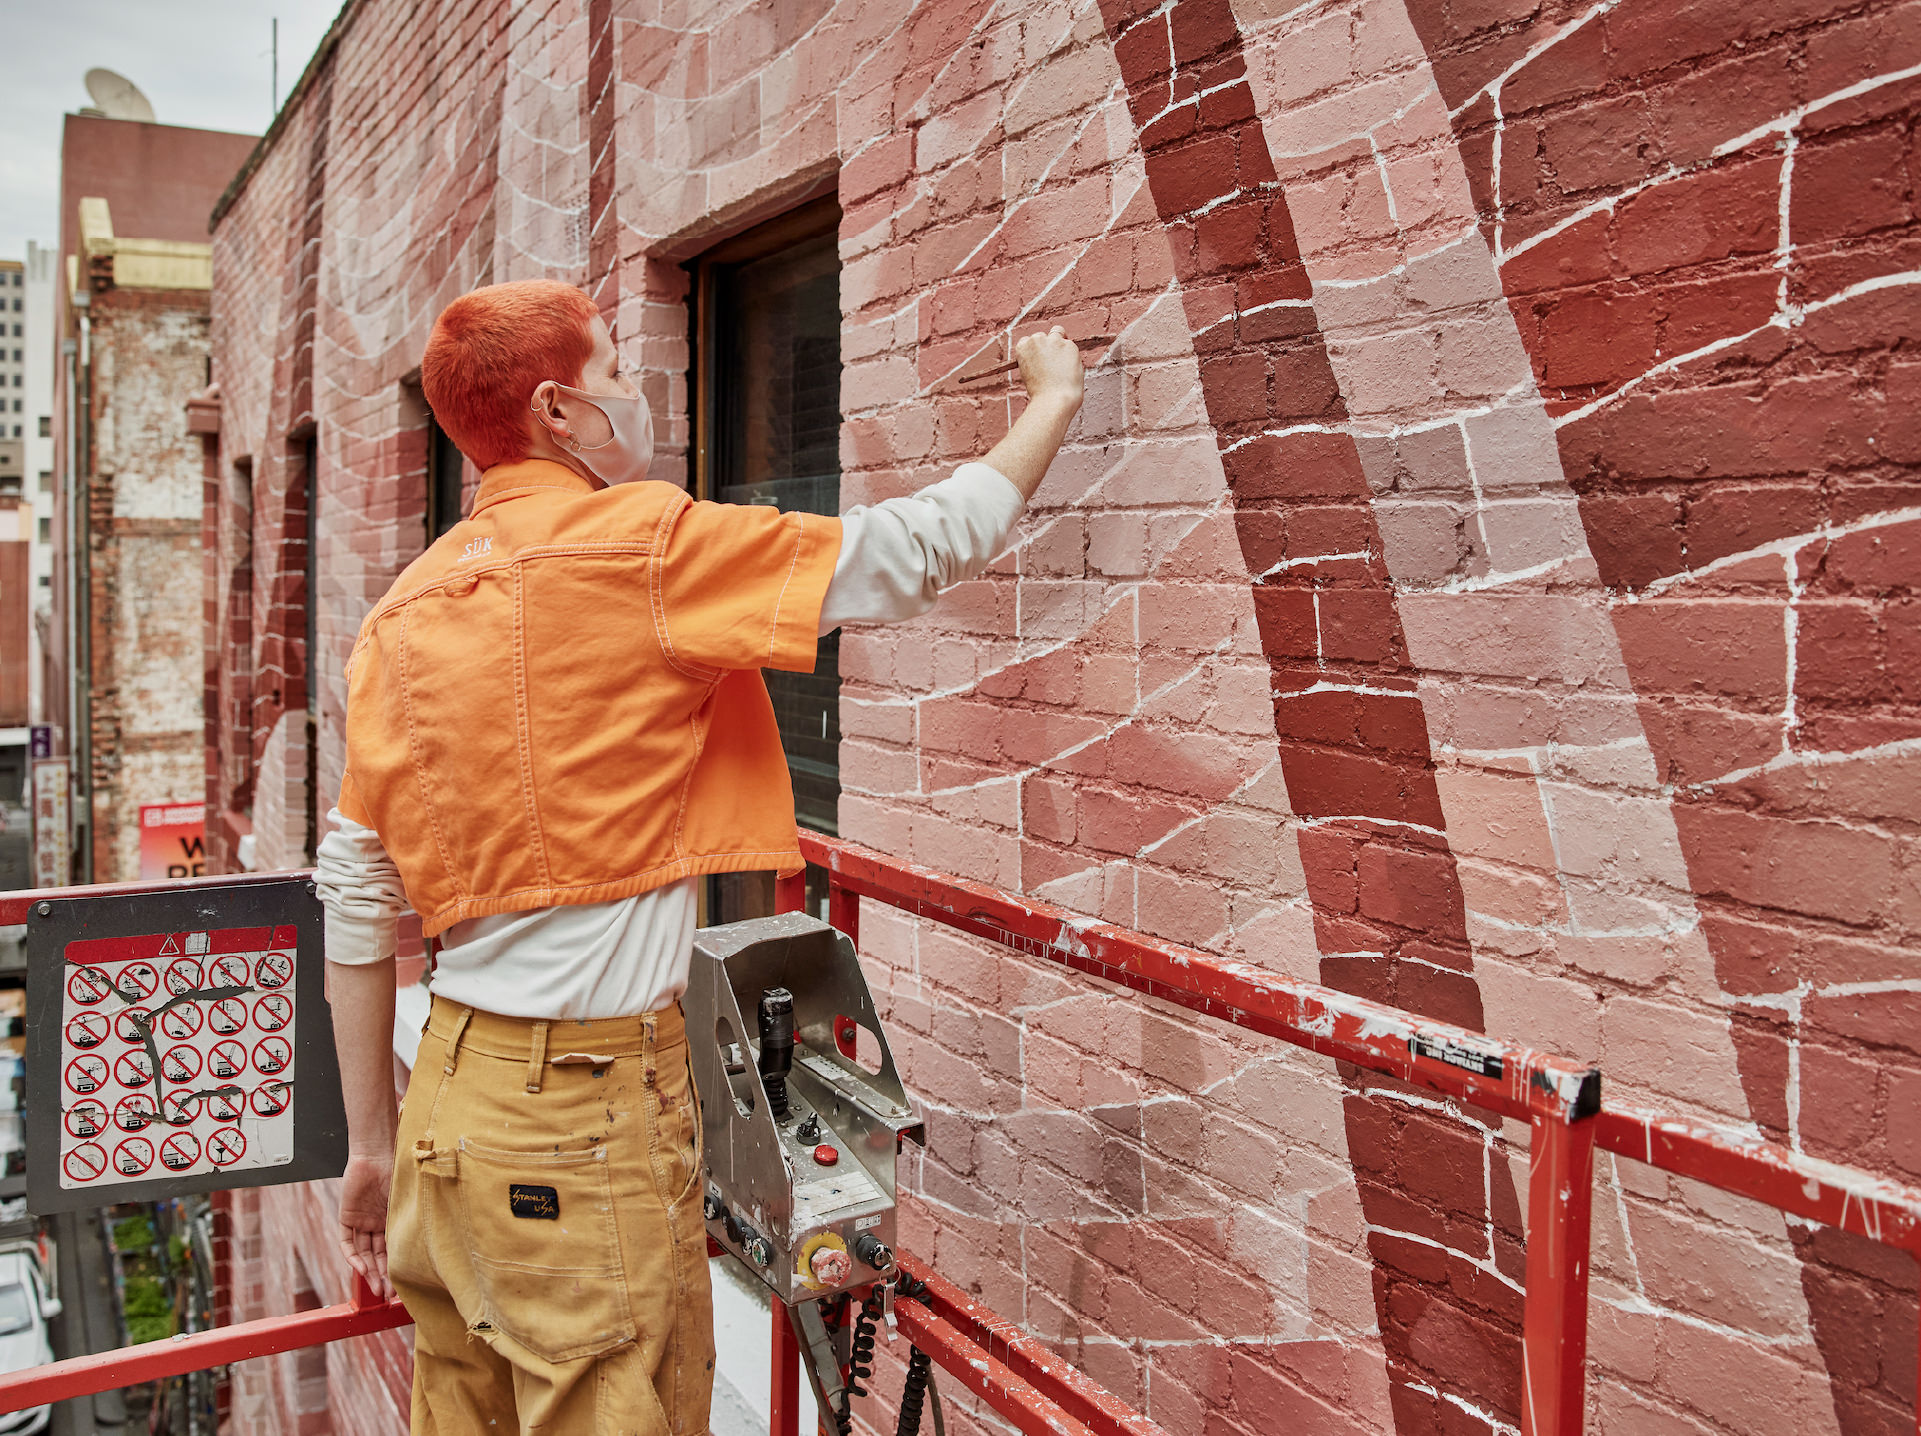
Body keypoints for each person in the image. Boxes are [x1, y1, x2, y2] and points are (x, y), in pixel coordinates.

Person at [316, 278, 1086, 1435]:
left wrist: (368, 1147)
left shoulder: (403, 611)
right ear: (560, 410)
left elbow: (357, 894)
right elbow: (918, 549)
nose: (641, 393)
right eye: (618, 370)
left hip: (446, 1114)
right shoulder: (647, 548)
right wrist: (1054, 398)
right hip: (581, 1121)